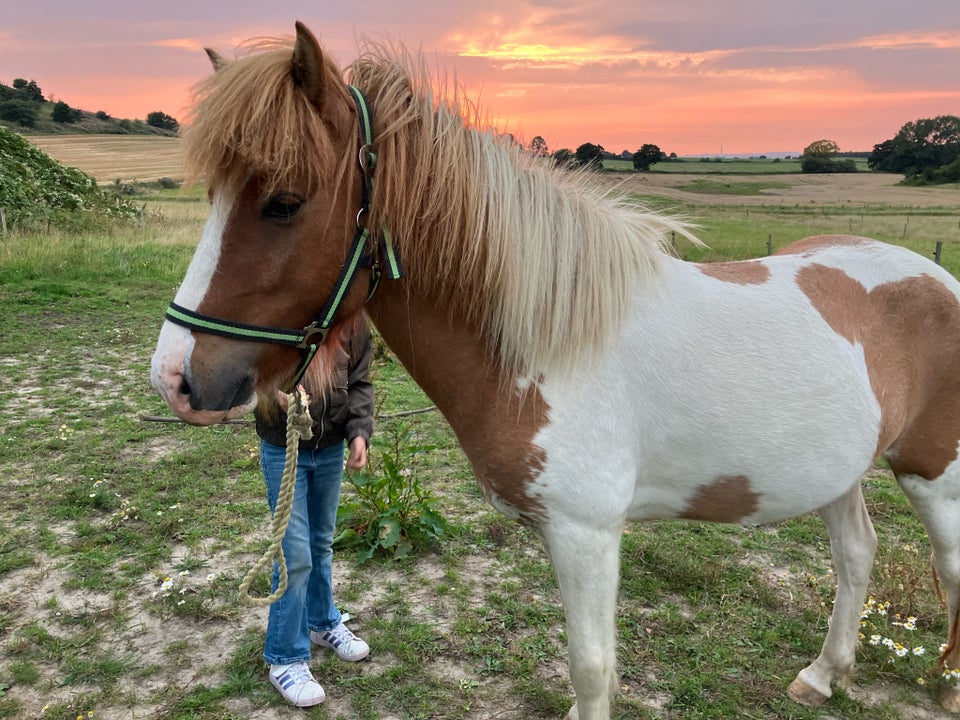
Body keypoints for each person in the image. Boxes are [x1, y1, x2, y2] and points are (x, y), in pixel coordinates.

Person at [254, 317, 374, 707]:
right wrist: (275, 396)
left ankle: (322, 623)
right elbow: (254, 371)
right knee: (295, 555)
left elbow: (359, 383)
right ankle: (284, 658)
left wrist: (359, 432)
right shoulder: (283, 308)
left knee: (322, 543)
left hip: (330, 448)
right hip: (284, 449)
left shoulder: (354, 323)